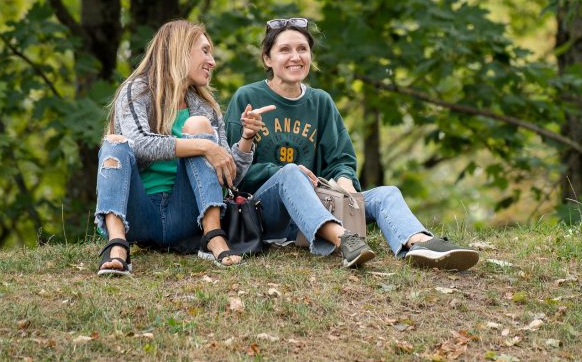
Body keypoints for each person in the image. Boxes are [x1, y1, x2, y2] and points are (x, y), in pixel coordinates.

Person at [225, 17, 479, 271]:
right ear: (267, 59)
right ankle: (344, 239)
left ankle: (420, 243)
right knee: (291, 171)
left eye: (302, 49)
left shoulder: (321, 102)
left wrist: (346, 182)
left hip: (319, 203)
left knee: (385, 194)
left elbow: (341, 160)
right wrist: (281, 172)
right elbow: (232, 173)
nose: (296, 56)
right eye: (284, 50)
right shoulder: (248, 98)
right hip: (267, 214)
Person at [94, 20, 272, 275]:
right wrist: (202, 146)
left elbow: (227, 176)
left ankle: (213, 236)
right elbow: (139, 144)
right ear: (180, 50)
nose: (212, 61)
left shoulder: (205, 107)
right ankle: (117, 245)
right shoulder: (137, 91)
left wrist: (246, 139)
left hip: (187, 214)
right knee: (114, 143)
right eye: (205, 51)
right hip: (139, 213)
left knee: (198, 125)